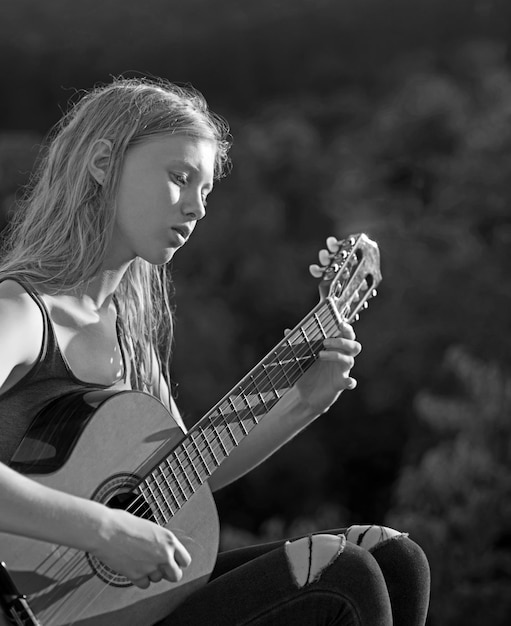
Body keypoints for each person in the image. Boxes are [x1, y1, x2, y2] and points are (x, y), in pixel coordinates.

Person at [0, 77, 430, 625]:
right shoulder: (21, 312)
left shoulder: (127, 333)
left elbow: (183, 480)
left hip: (121, 606)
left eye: (204, 192)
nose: (196, 208)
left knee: (394, 558)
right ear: (103, 162)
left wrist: (304, 401)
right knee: (346, 574)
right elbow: (116, 522)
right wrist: (104, 529)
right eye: (179, 178)